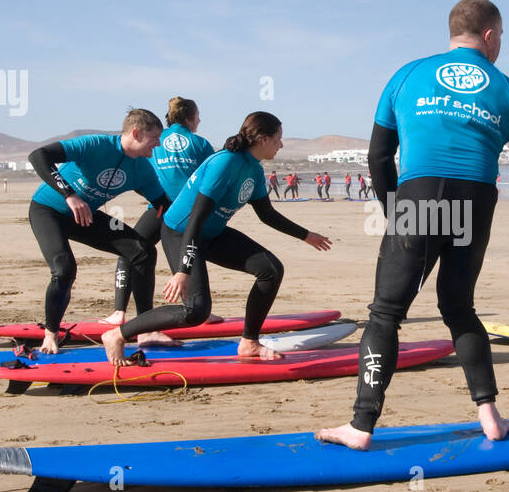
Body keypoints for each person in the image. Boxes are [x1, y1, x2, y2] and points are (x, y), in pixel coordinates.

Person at [318, 0, 509, 451]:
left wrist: (397, 212)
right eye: (502, 38)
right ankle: (489, 414)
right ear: (490, 36)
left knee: (386, 313)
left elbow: (378, 157)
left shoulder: (407, 75)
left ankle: (360, 425)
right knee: (458, 307)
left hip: (419, 195)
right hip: (476, 200)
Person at [101, 113, 331, 363]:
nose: (281, 145)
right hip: (181, 232)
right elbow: (196, 218)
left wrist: (306, 235)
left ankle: (249, 342)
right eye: (278, 139)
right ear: (264, 139)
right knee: (196, 311)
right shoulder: (225, 163)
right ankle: (118, 334)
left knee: (271, 269)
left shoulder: (253, 169)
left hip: (211, 233)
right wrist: (183, 270)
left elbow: (267, 215)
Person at [28, 110, 169, 353]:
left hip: (83, 216)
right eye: (155, 137)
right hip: (48, 209)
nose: (159, 143)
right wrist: (69, 195)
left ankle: (145, 329)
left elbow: (162, 207)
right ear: (136, 133)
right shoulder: (94, 144)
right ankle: (51, 333)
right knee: (64, 269)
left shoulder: (142, 170)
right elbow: (38, 156)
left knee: (143, 252)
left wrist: (186, 224)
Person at [105, 97, 215, 340]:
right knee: (189, 253)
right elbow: (211, 179)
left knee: (130, 250)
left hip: (159, 207)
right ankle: (200, 310)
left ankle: (119, 312)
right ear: (189, 118)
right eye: (197, 117)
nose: (199, 121)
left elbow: (139, 169)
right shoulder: (199, 143)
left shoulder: (155, 139)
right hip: (186, 211)